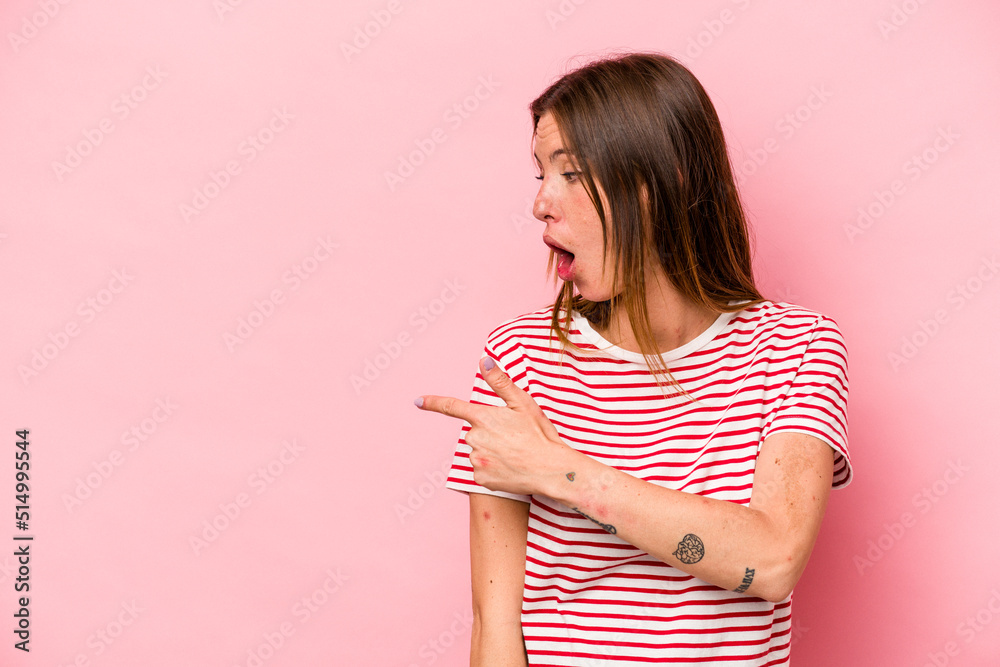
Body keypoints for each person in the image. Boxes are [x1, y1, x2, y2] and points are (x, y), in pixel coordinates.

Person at [414, 51, 851, 666]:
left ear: (658, 184)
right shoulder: (517, 359)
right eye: (539, 174)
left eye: (568, 174)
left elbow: (773, 561)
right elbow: (495, 625)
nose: (541, 203)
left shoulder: (796, 348)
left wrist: (557, 470)